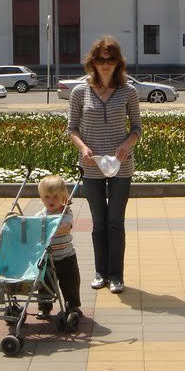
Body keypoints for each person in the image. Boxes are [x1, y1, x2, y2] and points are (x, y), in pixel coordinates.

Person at [67, 35, 142, 294]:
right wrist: (83, 148)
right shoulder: (80, 92)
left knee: (115, 222)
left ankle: (116, 275)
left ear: (118, 62)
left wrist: (126, 146)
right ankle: (100, 272)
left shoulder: (128, 91)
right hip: (91, 165)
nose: (105, 64)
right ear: (93, 62)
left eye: (110, 60)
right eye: (100, 60)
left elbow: (137, 128)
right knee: (99, 222)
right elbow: (71, 129)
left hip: (121, 165)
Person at [35, 174, 82, 318]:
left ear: (63, 197)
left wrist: (50, 229)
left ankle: (72, 306)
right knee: (45, 285)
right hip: (47, 258)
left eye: (55, 196)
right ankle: (44, 307)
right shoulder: (40, 216)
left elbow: (66, 227)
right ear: (42, 198)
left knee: (71, 283)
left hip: (66, 257)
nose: (51, 200)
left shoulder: (66, 212)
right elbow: (33, 229)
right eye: (47, 197)